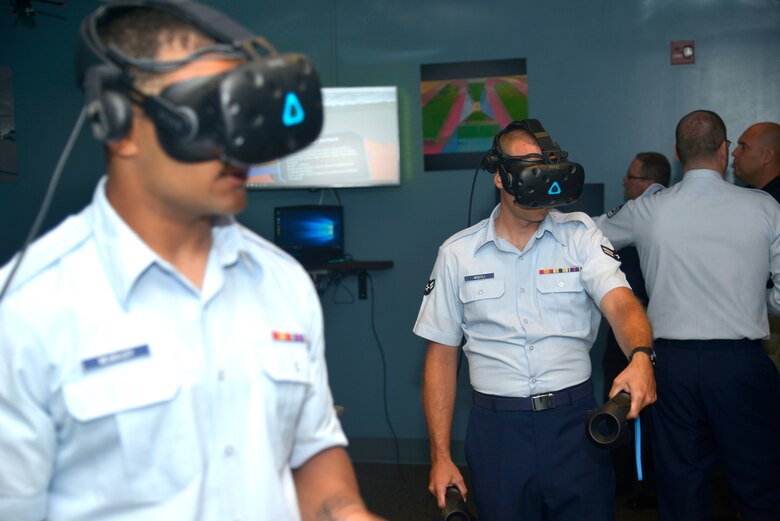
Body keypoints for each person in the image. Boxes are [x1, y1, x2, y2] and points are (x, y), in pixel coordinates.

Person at [0, 2, 382, 520]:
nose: (238, 143)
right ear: (118, 124)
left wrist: (346, 511)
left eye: (242, 113)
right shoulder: (24, 313)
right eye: (210, 112)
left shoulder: (283, 282)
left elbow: (312, 448)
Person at [413, 120, 657, 521]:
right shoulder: (458, 254)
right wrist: (440, 455)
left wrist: (641, 356)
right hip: (497, 433)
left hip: (575, 427)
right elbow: (441, 357)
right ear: (500, 176)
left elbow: (621, 303)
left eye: (546, 166)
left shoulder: (582, 236)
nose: (540, 179)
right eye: (528, 167)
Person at [595, 110, 780, 521]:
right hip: (741, 365)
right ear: (724, 150)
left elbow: (588, 236)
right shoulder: (765, 207)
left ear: (678, 154)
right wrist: (754, 301)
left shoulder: (651, 208)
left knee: (680, 490)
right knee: (758, 487)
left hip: (671, 368)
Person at [600, 152, 670, 507]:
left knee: (626, 408)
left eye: (629, 177)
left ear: (647, 183)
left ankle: (633, 485)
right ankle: (639, 484)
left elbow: (593, 230)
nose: (624, 183)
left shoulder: (639, 213)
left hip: (634, 334)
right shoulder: (674, 212)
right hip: (669, 336)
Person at [732, 122, 780, 201]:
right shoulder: (749, 195)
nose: (734, 153)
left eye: (743, 148)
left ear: (766, 157)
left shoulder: (774, 202)